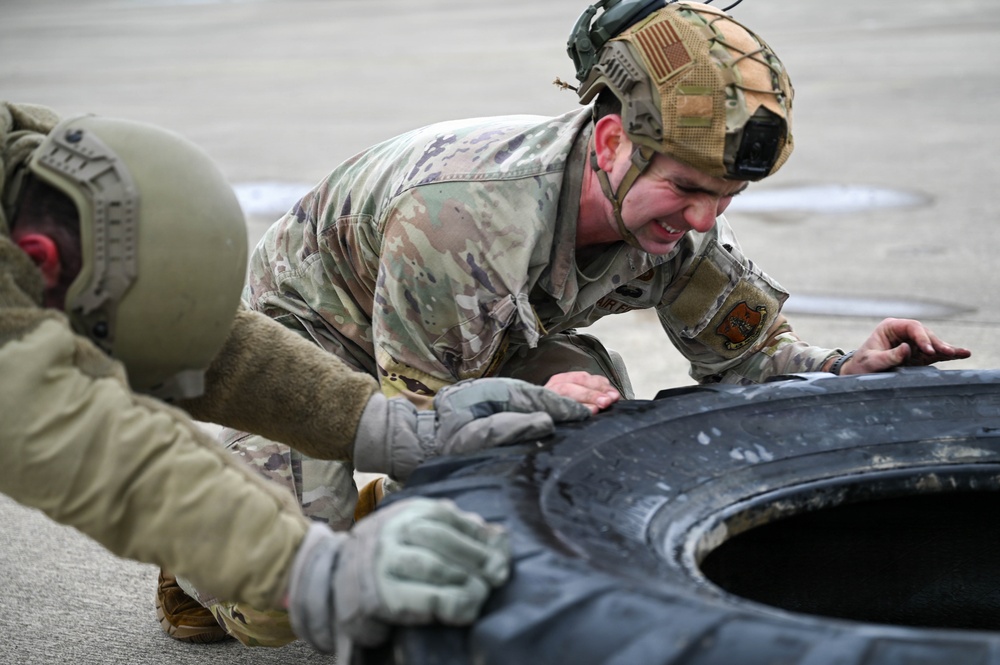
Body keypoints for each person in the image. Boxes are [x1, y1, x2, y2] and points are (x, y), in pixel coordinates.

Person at [190, 0, 973, 647]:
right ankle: (192, 545)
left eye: (725, 198)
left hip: (473, 335)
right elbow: (417, 428)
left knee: (588, 401)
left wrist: (847, 369)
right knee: (278, 605)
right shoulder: (464, 218)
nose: (703, 217)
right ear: (610, 142)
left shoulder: (677, 225)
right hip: (323, 333)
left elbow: (747, 361)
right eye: (686, 188)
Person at [0, 101, 593, 656]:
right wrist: (306, 568)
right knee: (269, 598)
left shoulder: (44, 163)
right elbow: (72, 434)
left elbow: (223, 352)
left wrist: (397, 429)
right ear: (39, 260)